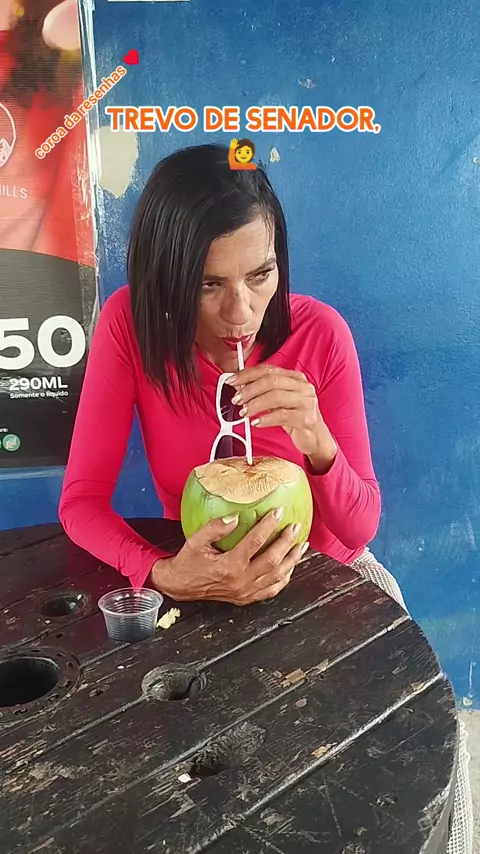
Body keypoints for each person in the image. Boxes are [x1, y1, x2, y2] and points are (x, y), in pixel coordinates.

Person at [59, 142, 472, 854]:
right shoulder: (131, 326)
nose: (241, 312)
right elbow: (81, 502)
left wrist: (316, 440)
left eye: (261, 274)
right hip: (200, 586)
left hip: (332, 585)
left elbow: (359, 525)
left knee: (408, 772)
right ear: (166, 280)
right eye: (207, 285)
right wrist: (163, 572)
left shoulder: (320, 334)